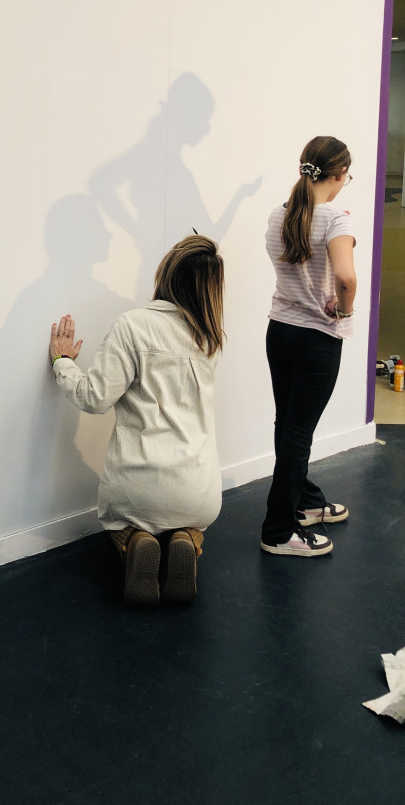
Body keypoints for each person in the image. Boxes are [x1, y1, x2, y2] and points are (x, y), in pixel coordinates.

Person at [49, 235, 225, 607]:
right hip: (200, 493)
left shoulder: (133, 325)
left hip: (138, 487)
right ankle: (186, 540)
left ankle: (134, 542)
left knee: (120, 520)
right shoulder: (209, 338)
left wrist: (62, 363)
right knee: (189, 519)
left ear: (166, 273)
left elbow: (94, 398)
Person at [260, 136, 356, 557]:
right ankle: (279, 531)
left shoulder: (278, 214)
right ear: (339, 174)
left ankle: (307, 501)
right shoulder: (335, 219)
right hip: (317, 337)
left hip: (280, 331)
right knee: (298, 432)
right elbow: (346, 278)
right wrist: (344, 311)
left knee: (288, 424)